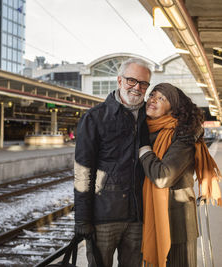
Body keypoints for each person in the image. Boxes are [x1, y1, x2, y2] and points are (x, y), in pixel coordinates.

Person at [74, 58, 152, 267]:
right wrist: (82, 218)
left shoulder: (151, 119)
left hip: (138, 216)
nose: (137, 87)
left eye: (143, 83)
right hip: (104, 216)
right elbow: (83, 171)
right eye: (131, 80)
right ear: (119, 80)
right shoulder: (95, 118)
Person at [138, 83, 222, 267]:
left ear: (173, 107)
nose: (153, 100)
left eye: (161, 98)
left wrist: (144, 150)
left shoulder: (183, 135)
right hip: (148, 218)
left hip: (178, 223)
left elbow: (163, 176)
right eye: (152, 95)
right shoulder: (146, 129)